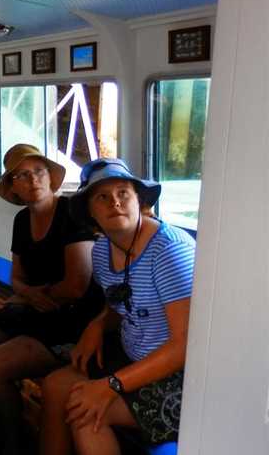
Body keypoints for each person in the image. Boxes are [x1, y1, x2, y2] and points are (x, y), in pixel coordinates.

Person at [0, 144, 102, 455]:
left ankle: (13, 441)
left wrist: (33, 295)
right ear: (15, 187)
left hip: (71, 321)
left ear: (50, 177)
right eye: (22, 175)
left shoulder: (72, 215)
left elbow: (76, 285)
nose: (32, 179)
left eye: (38, 171)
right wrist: (28, 294)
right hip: (33, 309)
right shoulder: (22, 221)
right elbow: (16, 277)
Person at [40, 158, 195, 454]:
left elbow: (185, 344)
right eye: (102, 196)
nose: (115, 202)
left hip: (183, 379)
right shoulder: (101, 253)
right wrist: (98, 324)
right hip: (134, 359)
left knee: (86, 413)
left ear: (139, 200)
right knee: (55, 386)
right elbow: (122, 302)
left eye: (123, 193)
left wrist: (110, 385)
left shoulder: (169, 252)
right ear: (90, 212)